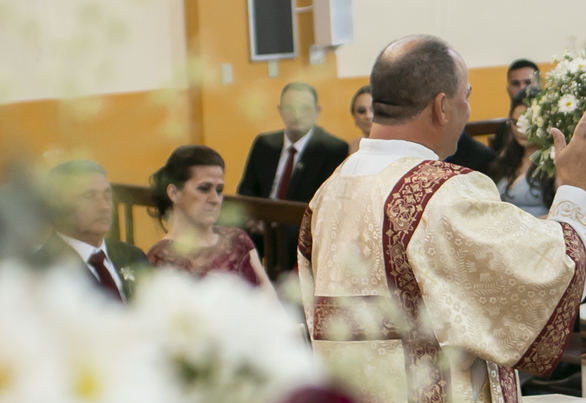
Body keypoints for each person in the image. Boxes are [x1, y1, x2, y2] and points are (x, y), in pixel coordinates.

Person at [299, 35, 586, 403]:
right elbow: (548, 273)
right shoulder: (440, 192)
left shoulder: (330, 190)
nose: (469, 109)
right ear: (442, 106)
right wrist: (576, 189)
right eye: (466, 95)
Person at [238, 82, 349, 271]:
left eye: (304, 109)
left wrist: (276, 225)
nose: (297, 114)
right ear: (280, 110)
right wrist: (255, 218)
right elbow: (246, 189)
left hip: (299, 230)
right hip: (260, 226)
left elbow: (325, 204)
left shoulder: (333, 149)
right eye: (290, 108)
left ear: (317, 111)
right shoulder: (265, 143)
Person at [147, 146, 272, 288]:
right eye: (204, 188)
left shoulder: (237, 241)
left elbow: (270, 299)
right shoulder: (160, 258)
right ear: (174, 193)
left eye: (219, 190)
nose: (215, 199)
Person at [33, 160, 148, 300]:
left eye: (107, 197)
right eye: (89, 197)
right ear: (58, 205)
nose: (104, 207)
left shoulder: (133, 256)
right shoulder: (40, 270)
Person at [491, 92, 553, 217]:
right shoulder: (507, 157)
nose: (521, 129)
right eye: (515, 122)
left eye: (528, 122)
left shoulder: (552, 160)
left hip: (541, 227)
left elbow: (563, 213)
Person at [490, 59, 541, 151]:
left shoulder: (553, 124)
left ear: (539, 85)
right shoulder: (503, 131)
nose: (522, 88)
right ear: (508, 89)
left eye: (528, 82)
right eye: (515, 83)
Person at [348, 85, 373, 149]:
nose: (368, 116)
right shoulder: (354, 146)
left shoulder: (396, 145)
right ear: (354, 117)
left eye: (374, 110)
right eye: (361, 111)